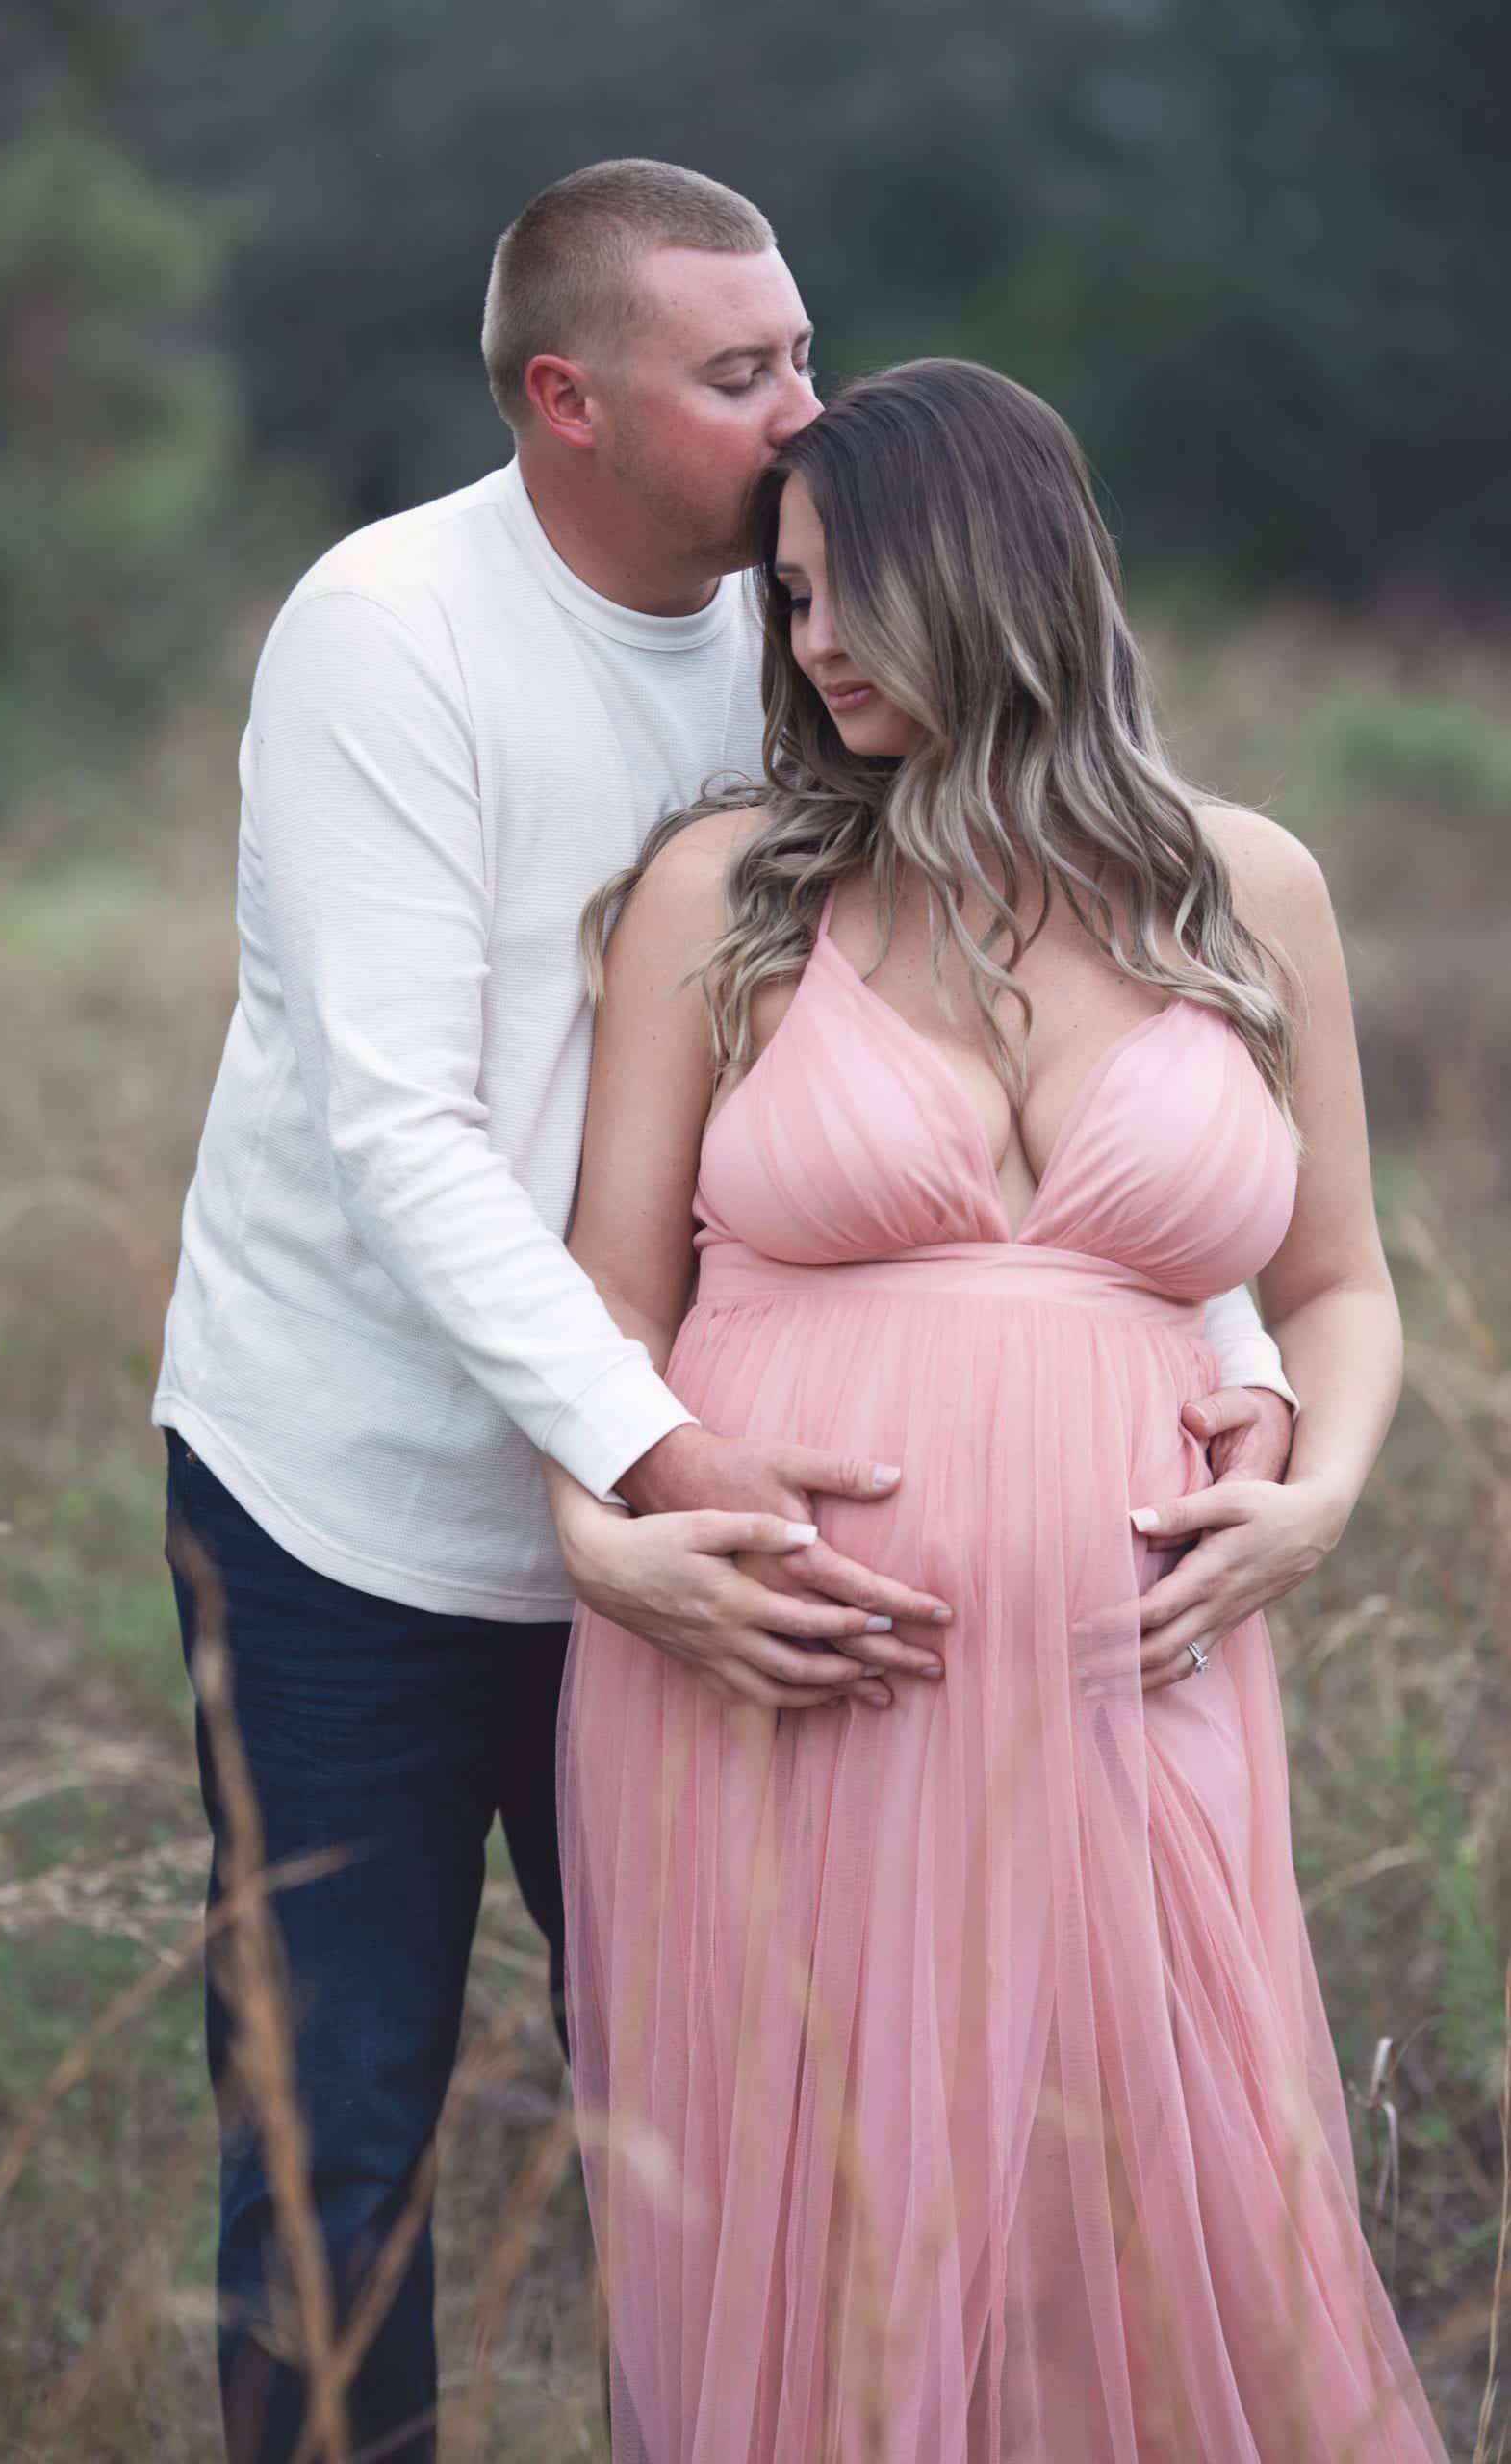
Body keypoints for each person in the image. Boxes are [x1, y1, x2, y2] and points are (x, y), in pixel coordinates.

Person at [155, 163, 1293, 2461]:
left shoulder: (817, 614)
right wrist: (645, 1469)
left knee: (746, 2105)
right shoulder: (389, 631)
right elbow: (401, 1129)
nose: (809, 405)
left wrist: (1233, 1361)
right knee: (340, 2135)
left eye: (803, 345)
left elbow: (1041, 1029)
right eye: (742, 370)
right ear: (565, 399)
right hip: (365, 1509)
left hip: (739, 1562)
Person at [552, 359, 1446, 2461]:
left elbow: (1335, 1288)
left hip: (1136, 1670)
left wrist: (1315, 1494)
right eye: (782, 602)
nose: (809, 642)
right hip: (782, 1674)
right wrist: (601, 1529)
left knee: (1150, 2216)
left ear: (1002, 568)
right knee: (836, 2241)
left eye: (843, 589)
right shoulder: (730, 888)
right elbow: (600, 1297)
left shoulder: (1246, 888)